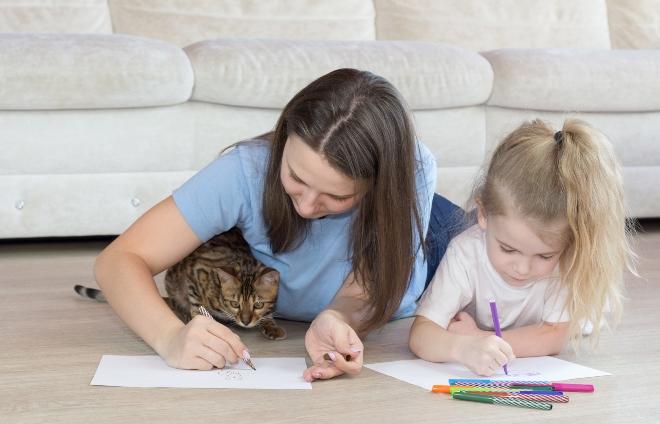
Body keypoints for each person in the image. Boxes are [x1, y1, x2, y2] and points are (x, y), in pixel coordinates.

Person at [94, 68, 461, 382]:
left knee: (501, 249)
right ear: (284, 139)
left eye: (335, 197)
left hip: (433, 241)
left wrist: (336, 317)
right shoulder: (246, 169)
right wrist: (170, 337)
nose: (305, 206)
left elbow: (368, 288)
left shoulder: (412, 169)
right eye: (296, 178)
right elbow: (119, 259)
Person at [409, 118, 637, 376]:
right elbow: (421, 334)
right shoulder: (465, 252)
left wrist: (484, 337)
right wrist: (463, 347)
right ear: (483, 214)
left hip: (570, 319)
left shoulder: (566, 261)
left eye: (544, 255)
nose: (523, 268)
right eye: (508, 249)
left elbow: (554, 337)